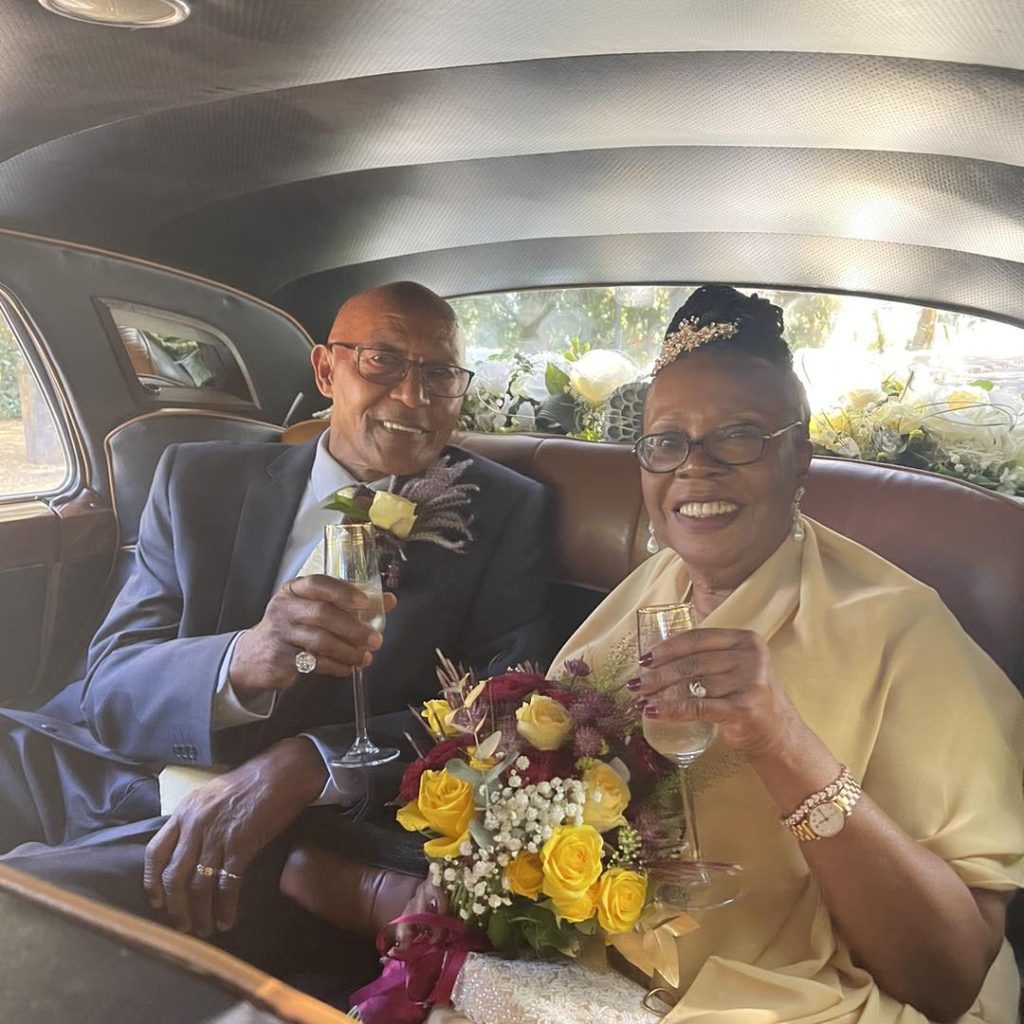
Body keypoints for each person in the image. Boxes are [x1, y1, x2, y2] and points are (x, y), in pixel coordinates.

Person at [408, 286, 1023, 1023]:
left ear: (800, 457)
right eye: (667, 441)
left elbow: (950, 975)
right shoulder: (635, 606)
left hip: (806, 1001)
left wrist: (782, 742)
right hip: (606, 986)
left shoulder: (903, 632)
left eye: (739, 436)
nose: (694, 468)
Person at [0, 281, 549, 961]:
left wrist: (303, 764)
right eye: (381, 361)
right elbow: (108, 685)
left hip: (259, 825)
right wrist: (242, 661)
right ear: (325, 369)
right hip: (74, 757)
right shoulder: (200, 480)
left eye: (440, 374)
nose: (413, 396)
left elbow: (502, 707)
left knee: (21, 909)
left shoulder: (504, 513)